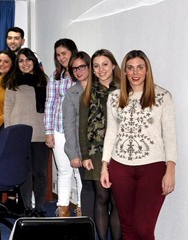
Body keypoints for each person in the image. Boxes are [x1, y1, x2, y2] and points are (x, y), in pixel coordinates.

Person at [101, 50, 176, 240]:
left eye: (140, 68)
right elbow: (111, 133)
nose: (135, 73)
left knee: (144, 228)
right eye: (130, 68)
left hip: (153, 168)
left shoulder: (162, 96)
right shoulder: (114, 97)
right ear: (124, 71)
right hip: (120, 167)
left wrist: (171, 170)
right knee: (127, 227)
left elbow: (169, 136)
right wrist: (104, 166)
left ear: (147, 70)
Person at [79, 49, 121, 240]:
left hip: (120, 152)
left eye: (105, 64)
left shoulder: (125, 91)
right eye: (96, 65)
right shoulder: (87, 93)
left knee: (117, 201)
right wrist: (85, 155)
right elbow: (82, 127)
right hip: (96, 152)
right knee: (102, 198)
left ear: (113, 65)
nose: (101, 69)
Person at [3, 48, 49, 216]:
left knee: (40, 173)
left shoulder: (44, 81)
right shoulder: (12, 82)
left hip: (40, 133)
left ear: (34, 62)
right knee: (25, 172)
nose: (25, 64)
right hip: (19, 134)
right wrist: (9, 133)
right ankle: (28, 207)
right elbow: (7, 109)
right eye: (21, 61)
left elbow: (49, 108)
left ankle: (40, 208)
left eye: (28, 60)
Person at [44, 38, 81, 217]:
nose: (61, 58)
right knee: (64, 171)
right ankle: (63, 209)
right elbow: (50, 104)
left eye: (64, 53)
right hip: (59, 130)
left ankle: (81, 208)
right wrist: (48, 132)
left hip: (78, 131)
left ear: (72, 52)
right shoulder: (55, 76)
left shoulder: (82, 74)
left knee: (79, 173)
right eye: (58, 55)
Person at [62, 51, 95, 220]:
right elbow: (68, 125)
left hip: (103, 149)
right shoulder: (71, 93)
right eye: (75, 68)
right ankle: (89, 226)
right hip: (83, 150)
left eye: (82, 66)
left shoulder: (102, 88)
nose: (78, 71)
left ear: (89, 66)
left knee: (106, 192)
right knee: (87, 187)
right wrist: (74, 154)